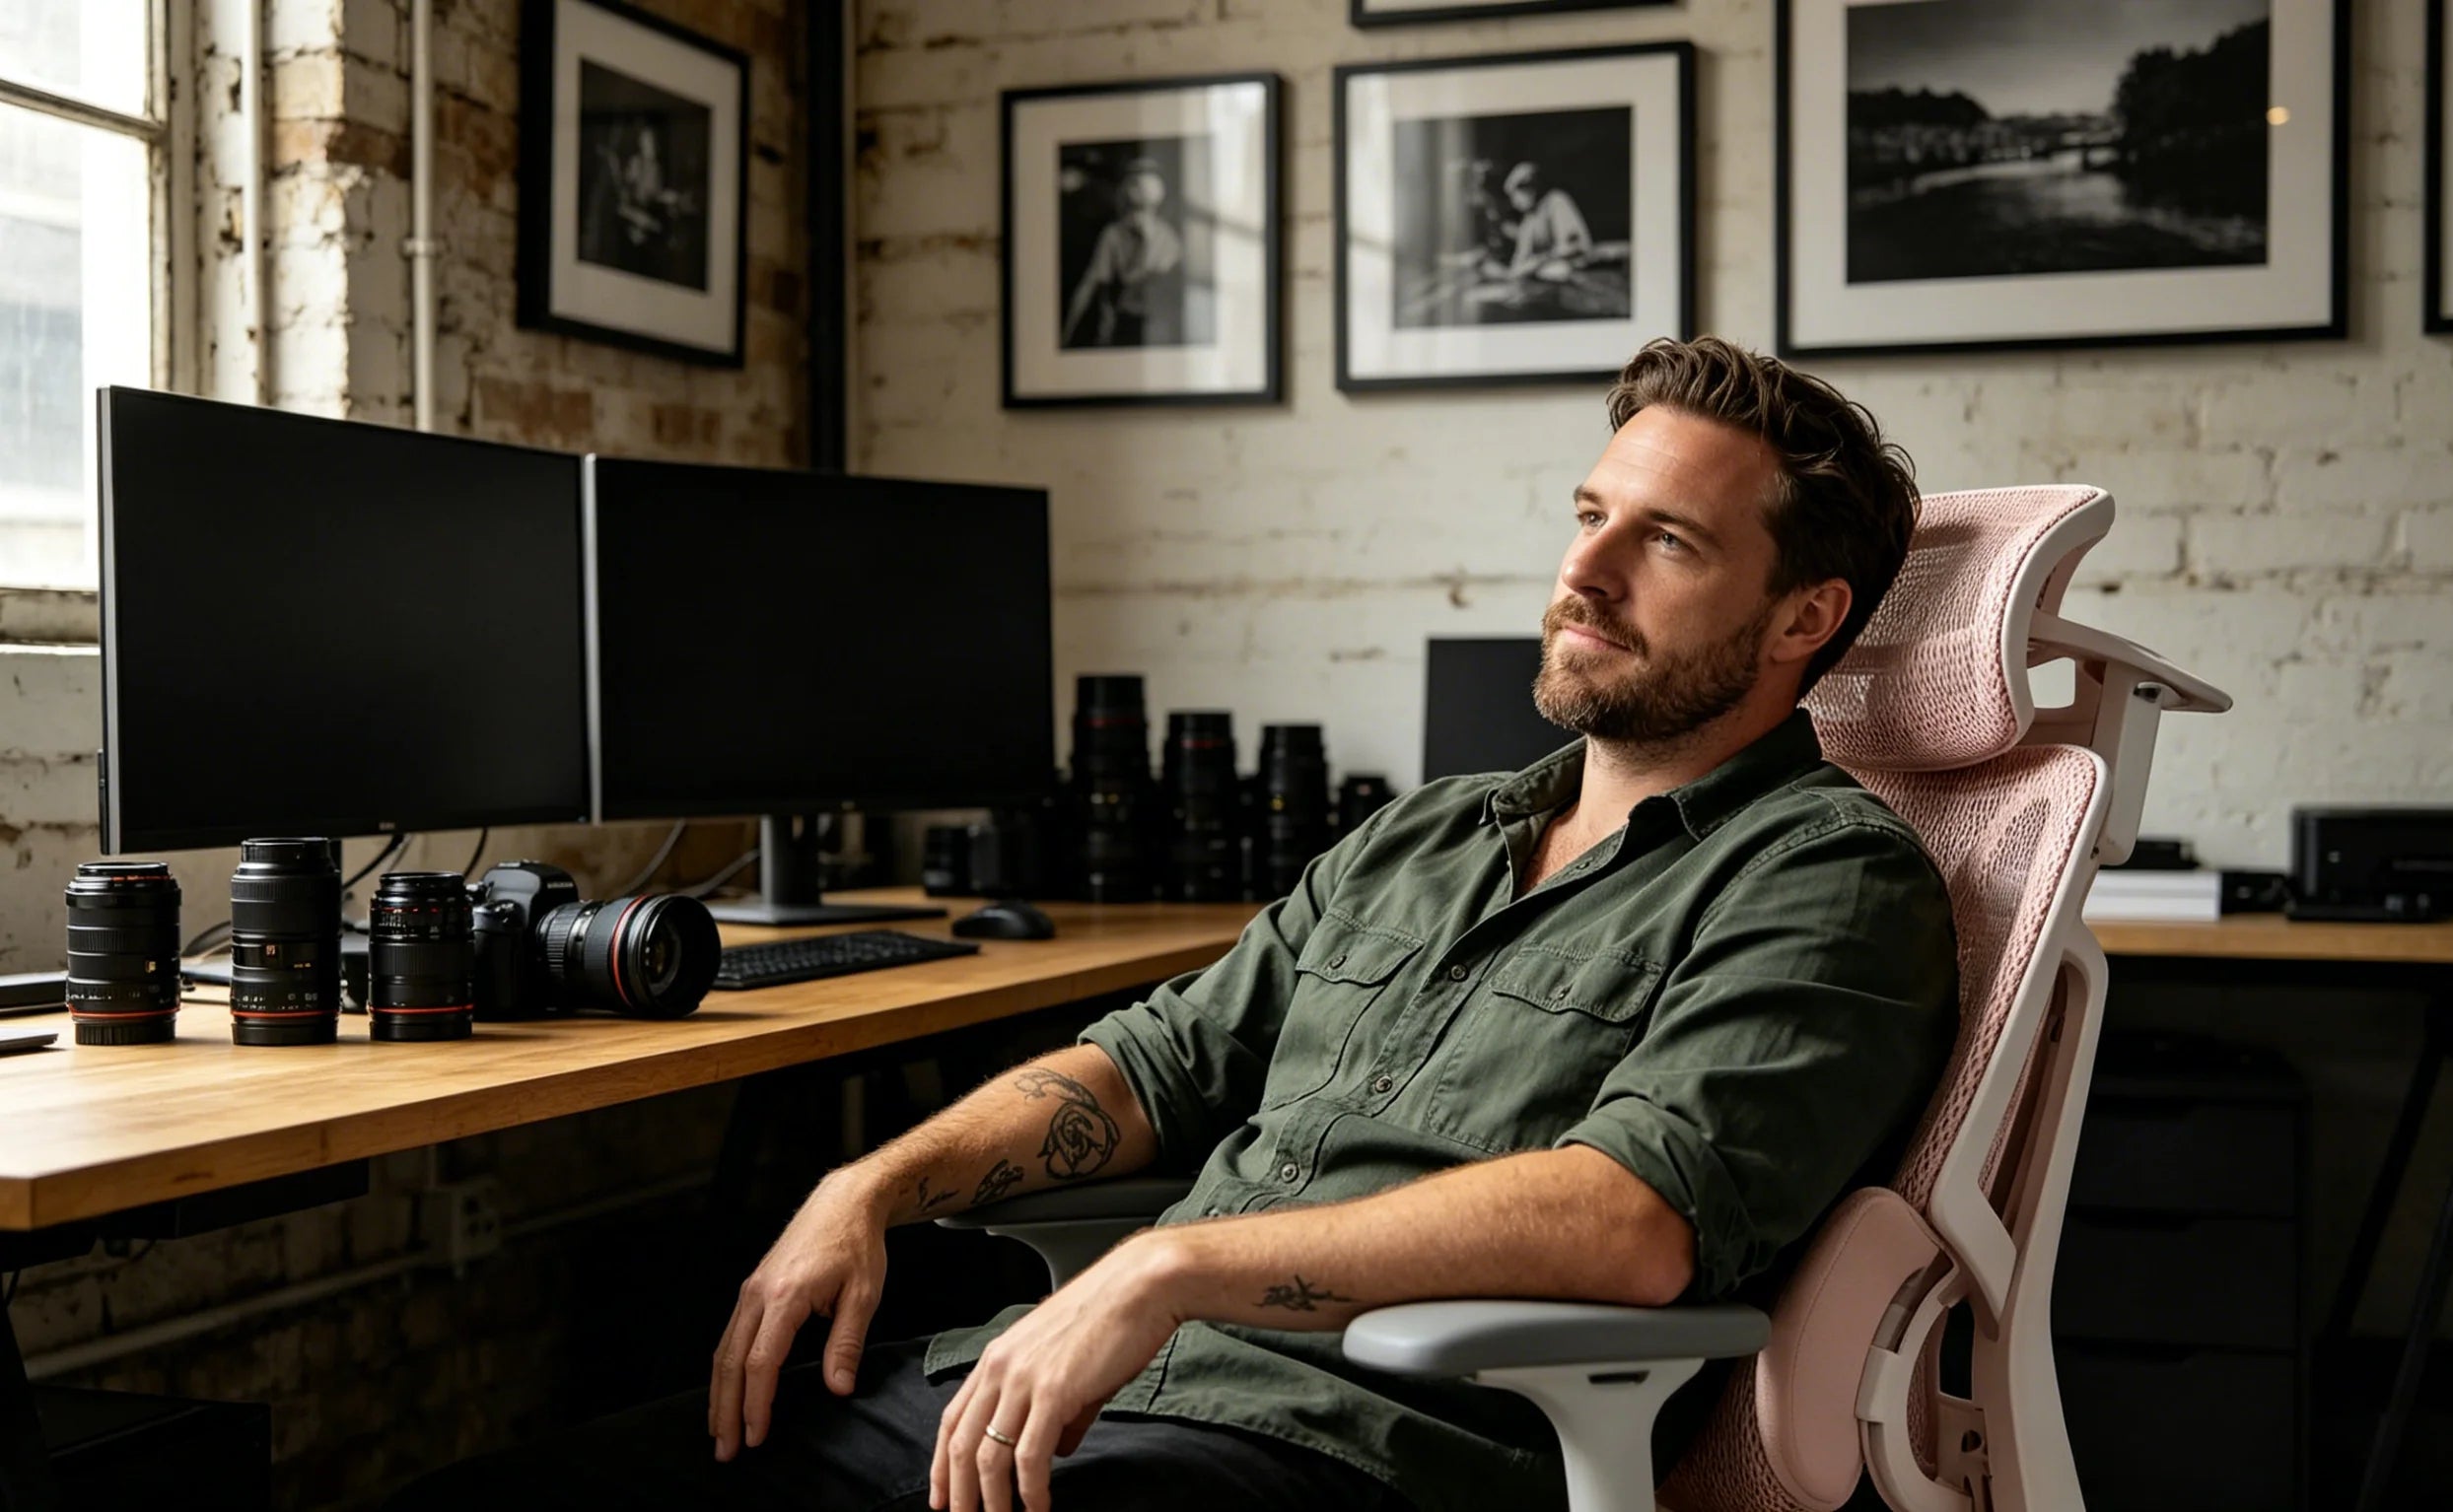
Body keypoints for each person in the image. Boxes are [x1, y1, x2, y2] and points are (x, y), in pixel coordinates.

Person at [387, 336, 1959, 1512]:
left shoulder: (1825, 876)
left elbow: (1630, 1221)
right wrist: (873, 1179)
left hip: (1341, 1454)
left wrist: (1175, 1266)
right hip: (1052, 1392)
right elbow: (1150, 1065)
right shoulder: (1430, 831)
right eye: (1588, 514)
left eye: (1665, 542)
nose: (1582, 571)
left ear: (1804, 619)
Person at [1061, 157, 1185, 348]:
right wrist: (1067, 334)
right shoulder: (1113, 235)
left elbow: (1161, 281)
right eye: (1134, 184)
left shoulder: (1168, 238)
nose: (1139, 190)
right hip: (1123, 325)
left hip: (1158, 327)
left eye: (1144, 185)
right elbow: (1092, 283)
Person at [1499, 161, 1596, 281]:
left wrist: (1538, 261)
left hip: (1574, 269)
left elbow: (1572, 247)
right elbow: (1519, 262)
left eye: (1516, 194)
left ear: (1531, 189)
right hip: (1543, 273)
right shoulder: (1529, 219)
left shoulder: (1555, 201)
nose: (1514, 202)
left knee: (1558, 270)